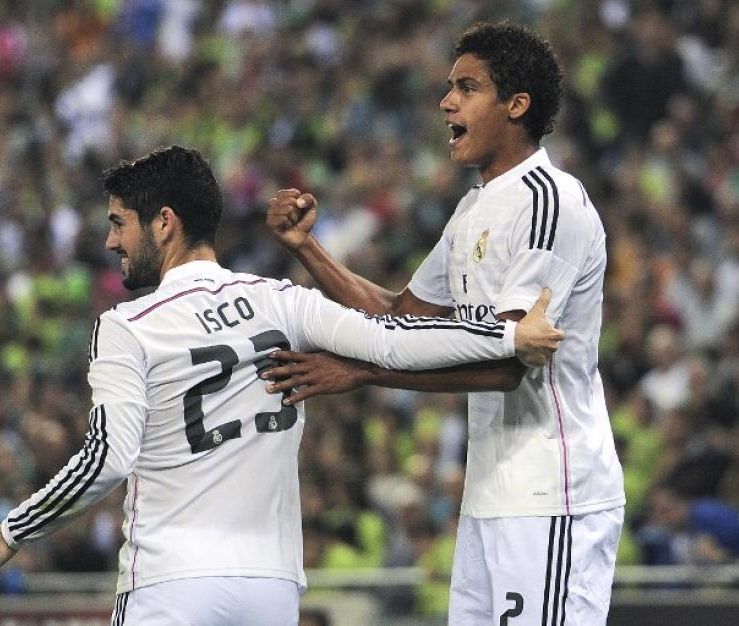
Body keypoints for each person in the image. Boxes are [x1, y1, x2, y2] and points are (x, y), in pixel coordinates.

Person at [0, 145, 564, 625]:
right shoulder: (280, 302)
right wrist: (510, 338)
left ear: (164, 223)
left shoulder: (127, 326)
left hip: (171, 585)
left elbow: (108, 458)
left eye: (120, 223)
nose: (111, 240)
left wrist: (11, 533)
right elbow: (393, 338)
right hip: (271, 590)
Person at [266, 22, 625, 625]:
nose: (446, 103)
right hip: (492, 494)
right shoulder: (473, 209)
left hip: (553, 493)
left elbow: (507, 360)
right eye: (448, 87)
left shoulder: (548, 200)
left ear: (517, 105)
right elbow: (396, 315)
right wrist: (308, 249)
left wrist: (360, 370)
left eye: (467, 87)